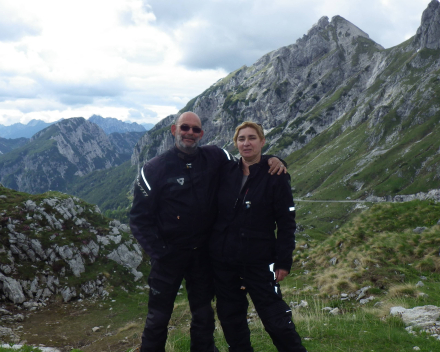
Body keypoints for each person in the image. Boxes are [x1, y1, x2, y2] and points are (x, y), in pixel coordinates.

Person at [129, 112, 285, 352]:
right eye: (185, 128)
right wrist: (160, 252)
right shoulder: (154, 168)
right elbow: (139, 219)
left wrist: (273, 159)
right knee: (158, 317)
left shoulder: (215, 156)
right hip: (168, 257)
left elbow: (246, 161)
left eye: (195, 129)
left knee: (203, 315)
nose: (189, 133)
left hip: (202, 255)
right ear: (174, 130)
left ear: (201, 134)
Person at [210, 121, 307, 352]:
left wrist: (284, 261)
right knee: (231, 317)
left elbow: (286, 222)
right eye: (241, 139)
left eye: (252, 138)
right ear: (235, 143)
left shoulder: (276, 174)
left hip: (259, 260)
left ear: (262, 141)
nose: (246, 143)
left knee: (275, 318)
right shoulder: (226, 171)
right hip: (225, 260)